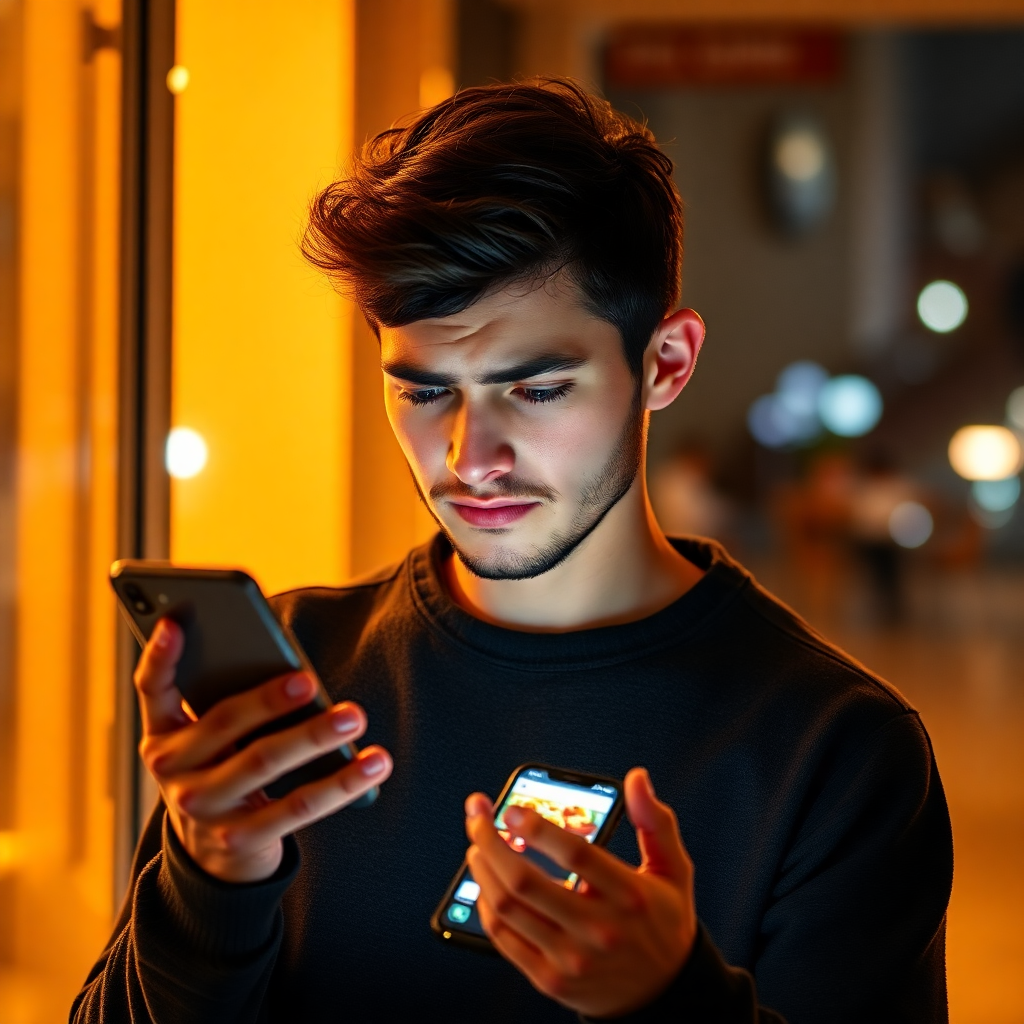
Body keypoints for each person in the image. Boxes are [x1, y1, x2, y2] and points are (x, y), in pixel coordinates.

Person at [73, 79, 952, 1023]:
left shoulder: (835, 754)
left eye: (534, 391)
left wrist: (676, 1005)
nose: (469, 460)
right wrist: (209, 885)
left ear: (664, 364)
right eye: (422, 392)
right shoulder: (296, 683)